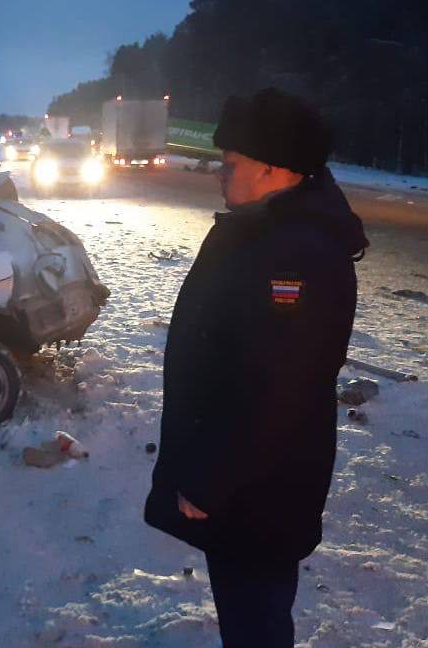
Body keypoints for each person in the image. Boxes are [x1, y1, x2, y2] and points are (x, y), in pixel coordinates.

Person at [144, 88, 368, 647]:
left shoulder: (296, 253)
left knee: (256, 621)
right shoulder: (269, 231)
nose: (221, 173)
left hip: (258, 489)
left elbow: (279, 389)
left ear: (273, 168)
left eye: (232, 162)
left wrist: (208, 480)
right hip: (251, 484)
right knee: (249, 614)